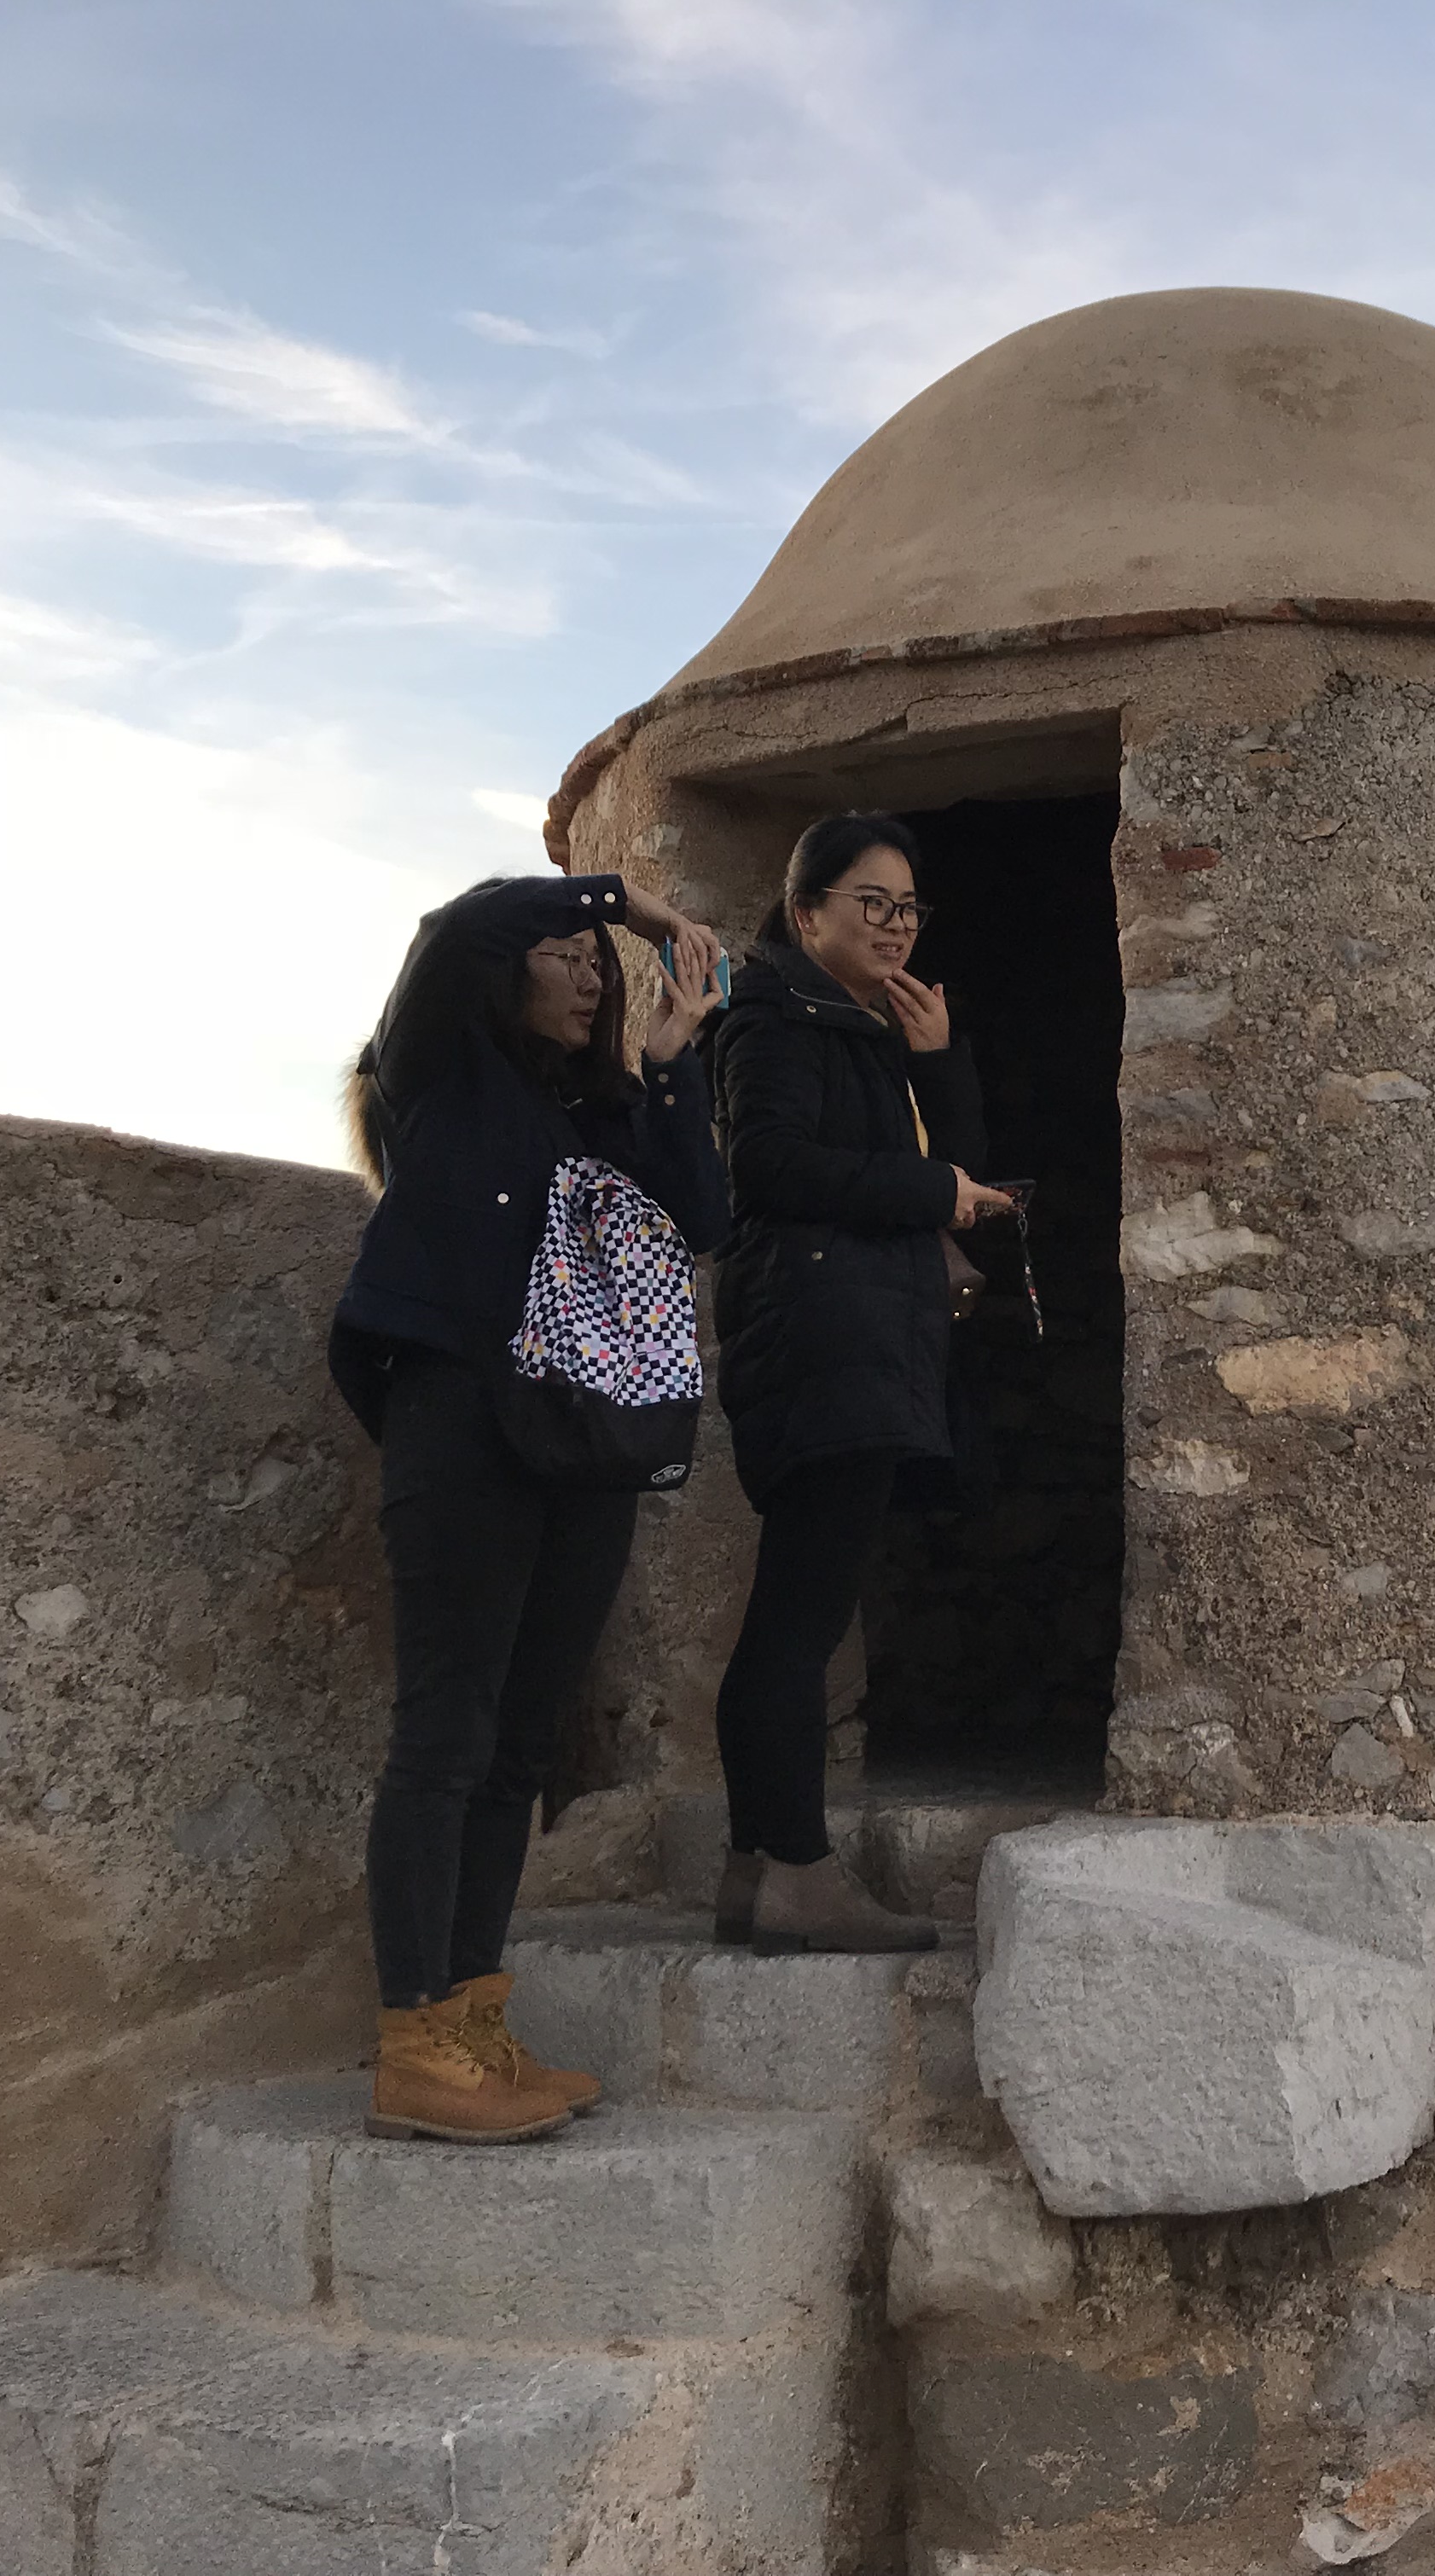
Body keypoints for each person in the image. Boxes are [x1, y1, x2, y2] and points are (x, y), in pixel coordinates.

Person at [329, 869, 733, 2144]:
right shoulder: (443, 1078)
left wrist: (668, 1062)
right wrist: (638, 908)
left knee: (517, 1746)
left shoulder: (597, 1115)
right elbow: (459, 930)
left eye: (600, 965)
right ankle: (415, 2037)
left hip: (581, 1440)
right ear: (513, 975)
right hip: (462, 1422)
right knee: (444, 1733)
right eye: (570, 954)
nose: (590, 972)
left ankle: (475, 2024)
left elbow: (702, 1218)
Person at [705, 813, 1017, 1953]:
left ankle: (757, 1867)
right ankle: (791, 1867)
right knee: (799, 1617)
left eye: (908, 907)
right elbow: (768, 1166)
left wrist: (937, 1063)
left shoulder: (862, 1029)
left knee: (802, 1606)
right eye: (869, 903)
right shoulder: (771, 1015)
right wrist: (931, 1194)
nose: (894, 925)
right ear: (804, 914)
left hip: (860, 1341)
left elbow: (964, 1174)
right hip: (820, 1339)